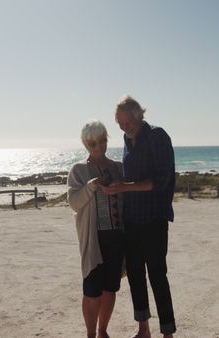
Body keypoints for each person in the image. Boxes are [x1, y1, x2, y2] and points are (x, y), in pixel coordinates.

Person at [102, 95, 176, 338]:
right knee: (135, 275)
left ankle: (167, 332)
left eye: (128, 123)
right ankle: (143, 328)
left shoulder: (158, 136)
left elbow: (160, 181)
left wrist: (124, 187)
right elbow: (130, 177)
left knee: (157, 274)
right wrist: (116, 183)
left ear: (139, 116)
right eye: (120, 124)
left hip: (154, 218)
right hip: (131, 219)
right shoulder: (126, 139)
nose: (124, 128)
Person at [67, 120, 125, 338]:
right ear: (85, 144)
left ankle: (103, 331)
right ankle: (91, 334)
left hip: (117, 236)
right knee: (92, 291)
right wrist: (90, 186)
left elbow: (127, 199)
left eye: (102, 141)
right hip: (93, 238)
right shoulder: (79, 170)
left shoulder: (119, 168)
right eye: (93, 143)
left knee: (110, 288)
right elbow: (74, 203)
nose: (99, 147)